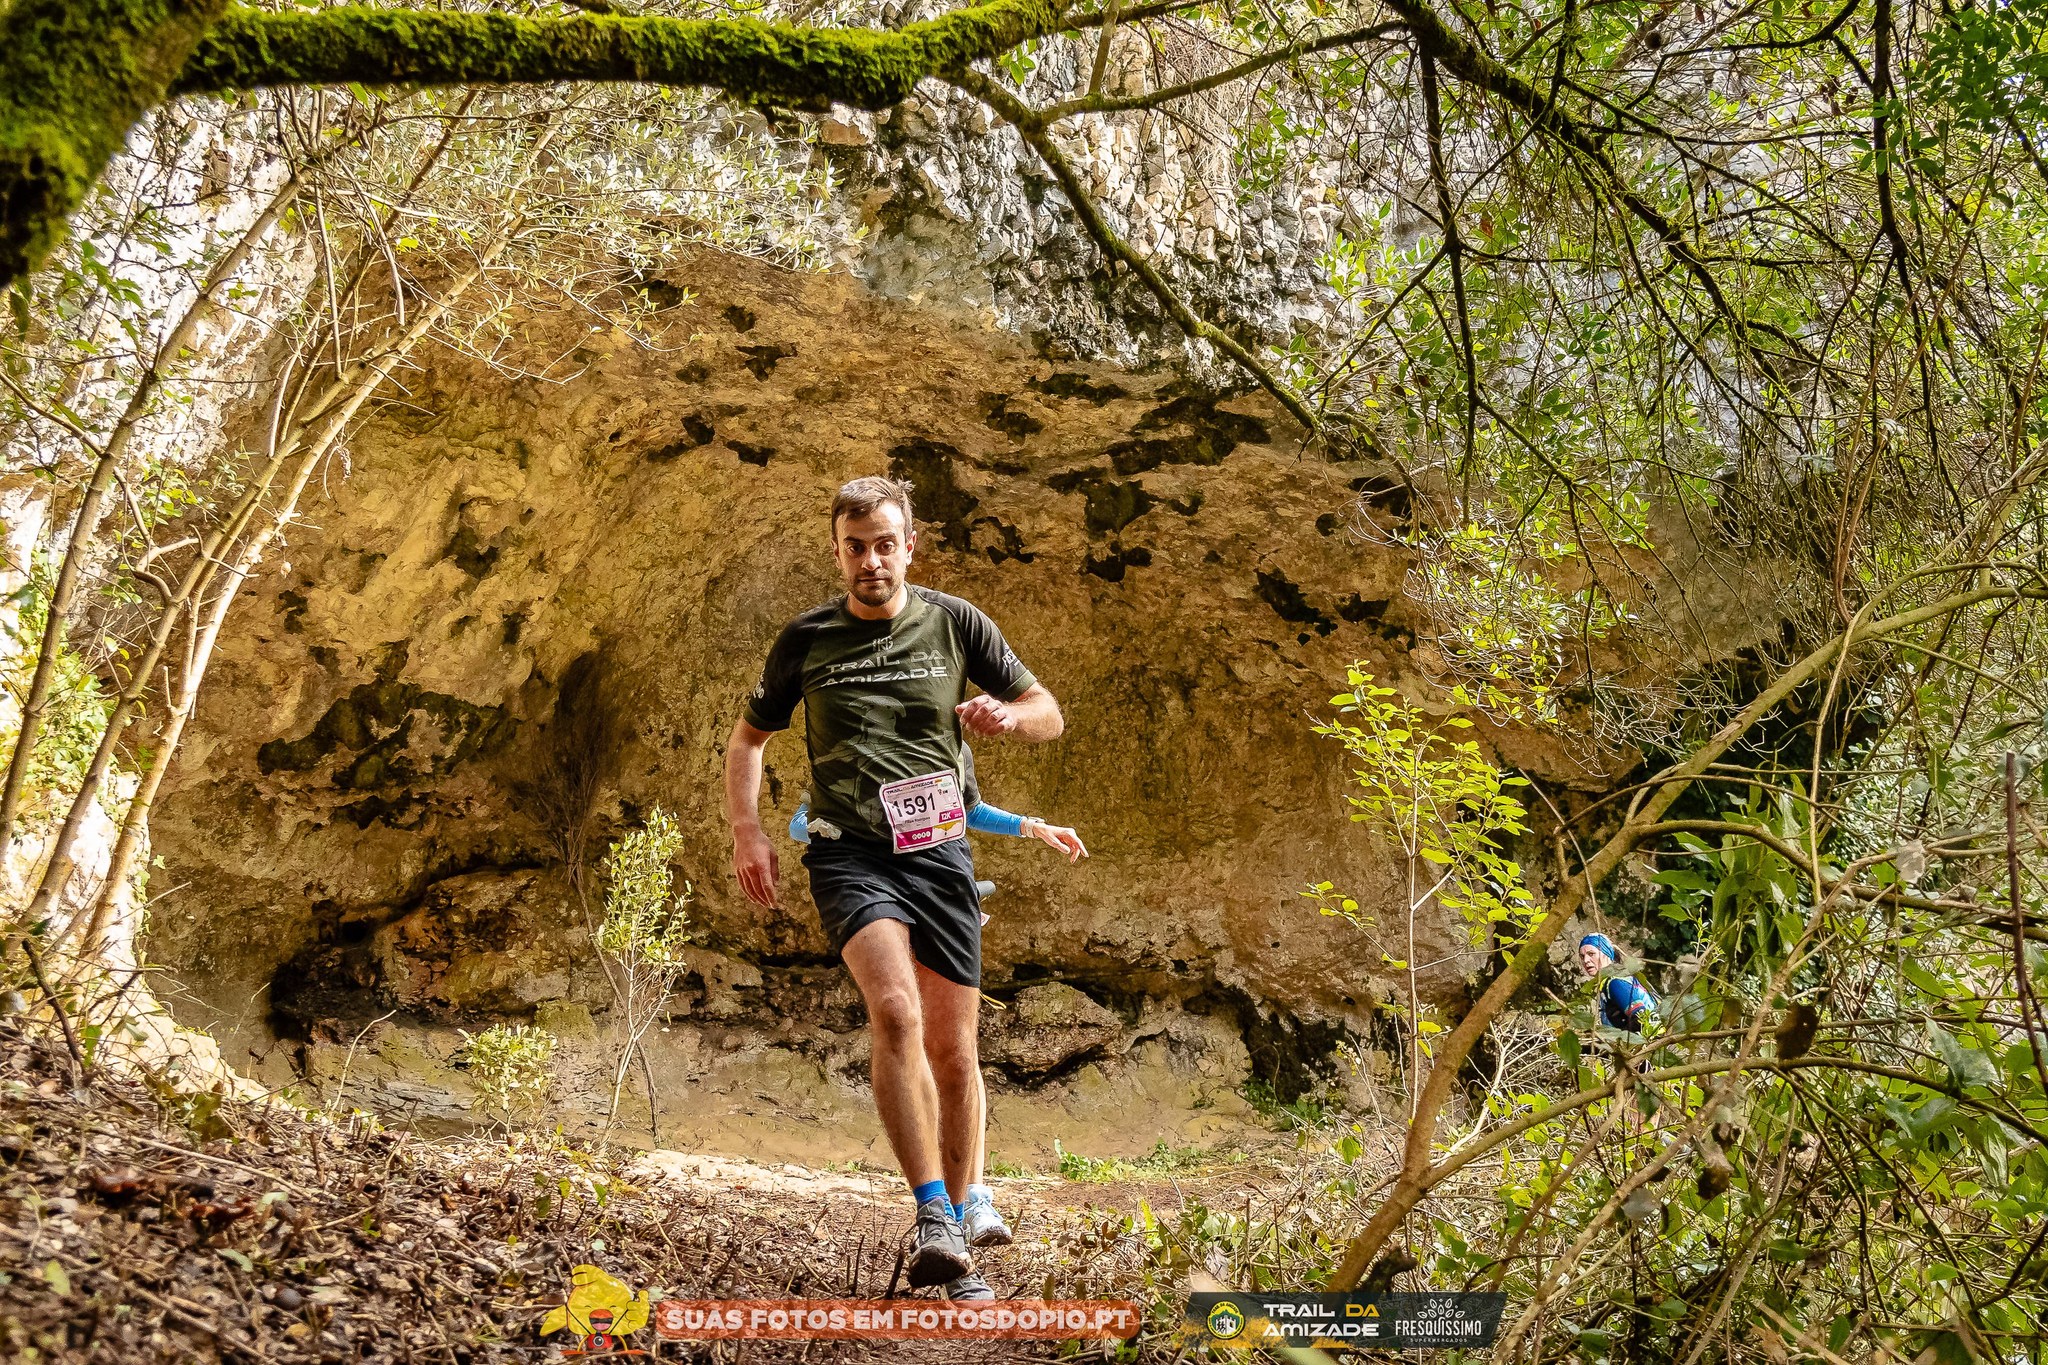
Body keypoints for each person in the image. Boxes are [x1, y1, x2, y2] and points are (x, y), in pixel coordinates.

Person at [724, 476, 1065, 1301]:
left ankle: (965, 1230)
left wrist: (1010, 717)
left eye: (885, 544)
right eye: (856, 547)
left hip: (941, 855)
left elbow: (1047, 710)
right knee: (896, 1011)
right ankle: (933, 1214)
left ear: (910, 546)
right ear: (837, 551)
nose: (871, 560)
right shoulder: (807, 637)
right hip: (850, 853)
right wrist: (748, 828)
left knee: (954, 1048)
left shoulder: (955, 622)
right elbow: (748, 740)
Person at [1578, 933, 1656, 1035]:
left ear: (1606, 953)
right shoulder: (1610, 981)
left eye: (1591, 954)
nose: (1586, 960)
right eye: (1582, 956)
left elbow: (1640, 1019)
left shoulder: (1615, 982)